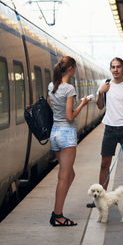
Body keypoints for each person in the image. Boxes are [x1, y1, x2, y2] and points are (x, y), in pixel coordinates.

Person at [86, 57, 123, 209]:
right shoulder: (105, 85)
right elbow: (100, 106)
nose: (115, 69)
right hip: (109, 127)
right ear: (110, 69)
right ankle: (100, 199)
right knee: (104, 164)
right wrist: (100, 94)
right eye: (113, 67)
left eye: (118, 67)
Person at [48, 56, 90, 226]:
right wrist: (83, 104)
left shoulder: (52, 85)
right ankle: (57, 215)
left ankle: (57, 211)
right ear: (71, 68)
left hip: (55, 132)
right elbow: (69, 116)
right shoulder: (69, 89)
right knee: (64, 177)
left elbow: (51, 105)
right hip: (66, 132)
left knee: (69, 174)